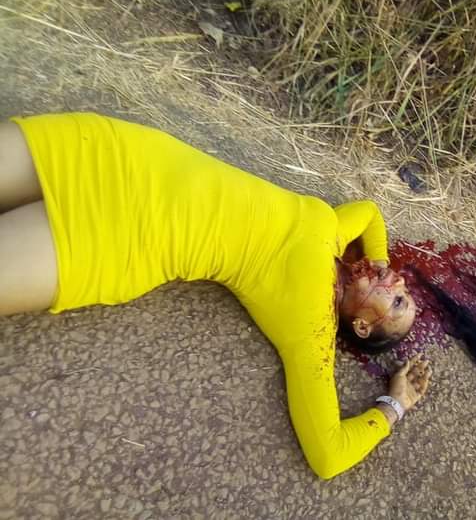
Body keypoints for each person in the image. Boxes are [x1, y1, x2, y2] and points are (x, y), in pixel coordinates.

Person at [0, 112, 432, 479]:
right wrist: (379, 262)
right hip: (122, 153)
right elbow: (371, 212)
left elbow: (329, 456)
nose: (397, 282)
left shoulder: (312, 331)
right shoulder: (335, 232)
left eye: (397, 302)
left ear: (361, 325)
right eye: (403, 288)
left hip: (117, 241)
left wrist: (394, 405)